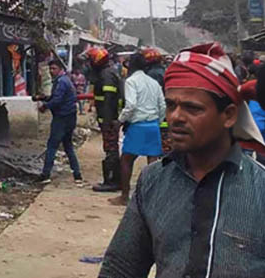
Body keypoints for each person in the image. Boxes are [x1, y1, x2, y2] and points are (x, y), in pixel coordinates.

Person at [99, 43, 265, 278]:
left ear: (228, 115)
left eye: (192, 108)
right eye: (170, 105)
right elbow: (121, 268)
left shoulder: (259, 188)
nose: (176, 117)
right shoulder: (153, 181)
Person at [111, 51, 166, 206]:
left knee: (126, 160)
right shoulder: (153, 83)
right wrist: (157, 121)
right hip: (153, 125)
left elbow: (131, 105)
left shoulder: (131, 82)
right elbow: (162, 105)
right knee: (153, 163)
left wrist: (120, 121)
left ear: (131, 66)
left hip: (138, 125)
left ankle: (124, 196)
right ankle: (152, 199)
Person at [35, 58, 83, 185]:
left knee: (52, 146)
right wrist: (44, 97)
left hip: (62, 118)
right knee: (68, 146)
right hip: (70, 117)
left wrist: (44, 106)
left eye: (54, 68)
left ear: (61, 69)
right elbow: (57, 97)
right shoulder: (65, 80)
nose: (51, 71)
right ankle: (77, 175)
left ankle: (45, 174)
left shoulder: (61, 82)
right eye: (50, 69)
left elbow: (57, 100)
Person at [86, 46, 123, 192]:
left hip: (109, 120)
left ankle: (112, 181)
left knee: (111, 150)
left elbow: (108, 100)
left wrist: (106, 122)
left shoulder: (106, 75)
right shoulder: (108, 73)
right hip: (109, 119)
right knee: (110, 149)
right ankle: (113, 179)